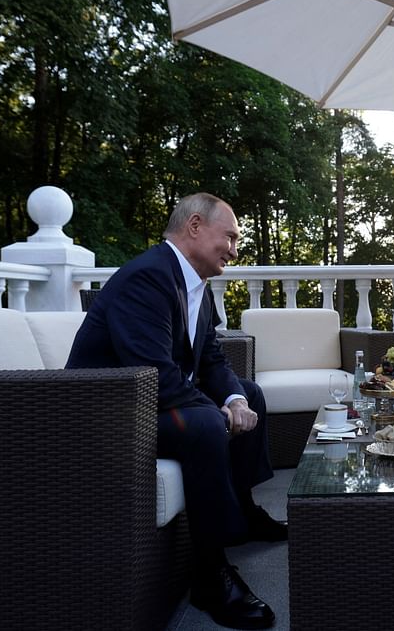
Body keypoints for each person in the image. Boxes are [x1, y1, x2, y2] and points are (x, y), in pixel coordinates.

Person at [67, 193, 284, 630]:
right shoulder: (146, 277)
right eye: (231, 237)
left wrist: (235, 401)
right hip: (109, 410)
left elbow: (211, 361)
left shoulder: (196, 288)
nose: (235, 250)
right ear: (196, 226)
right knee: (205, 423)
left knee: (251, 393)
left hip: (150, 398)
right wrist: (218, 413)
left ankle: (243, 512)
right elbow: (151, 372)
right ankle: (209, 575)